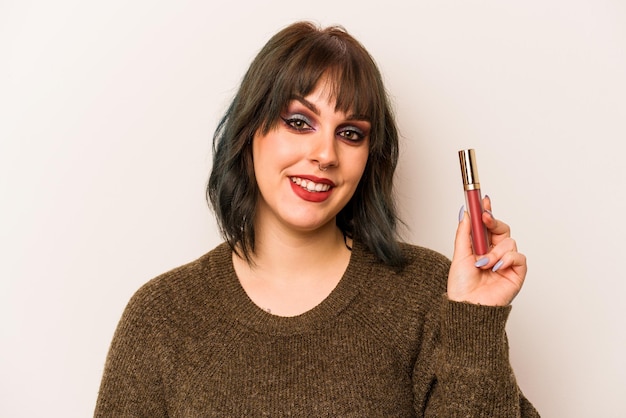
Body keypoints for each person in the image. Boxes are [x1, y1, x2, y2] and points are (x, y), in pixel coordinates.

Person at [94, 21, 539, 417]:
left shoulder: (430, 293)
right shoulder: (161, 317)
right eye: (299, 122)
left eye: (350, 134)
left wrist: (476, 320)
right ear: (250, 130)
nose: (325, 155)